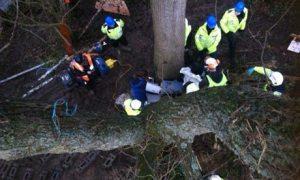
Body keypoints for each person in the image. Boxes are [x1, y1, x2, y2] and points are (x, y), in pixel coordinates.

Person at [220, 1, 248, 69]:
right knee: (232, 44)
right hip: (229, 31)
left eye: (238, 11)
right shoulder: (228, 13)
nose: (236, 12)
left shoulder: (245, 10)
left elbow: (244, 20)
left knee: (234, 41)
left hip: (237, 29)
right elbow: (222, 22)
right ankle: (232, 57)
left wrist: (242, 28)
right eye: (236, 10)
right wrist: (227, 32)